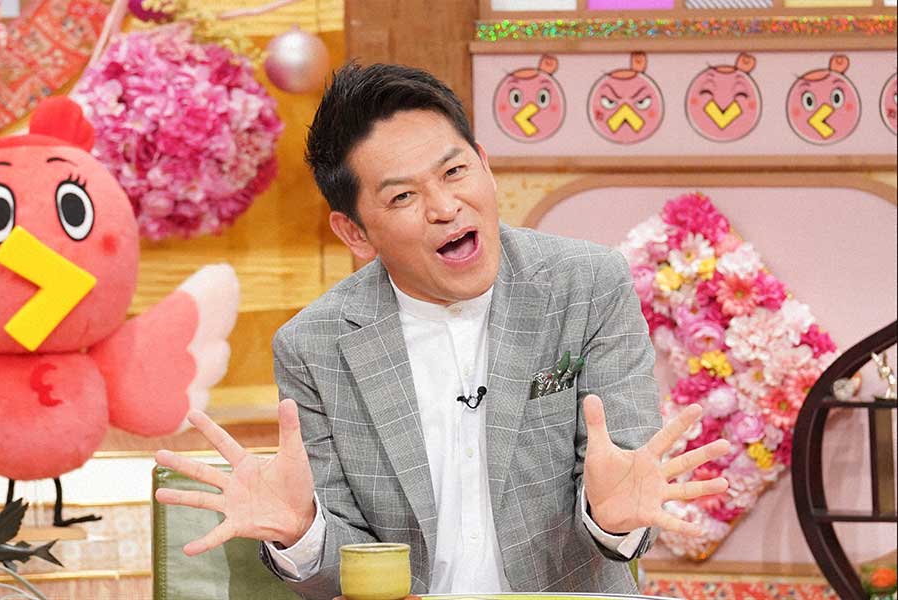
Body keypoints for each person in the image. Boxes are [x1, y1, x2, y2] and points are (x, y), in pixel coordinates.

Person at [154, 62, 730, 596]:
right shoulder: (314, 347)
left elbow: (625, 486)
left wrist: (610, 518)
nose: (445, 207)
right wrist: (301, 531)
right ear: (355, 233)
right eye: (403, 196)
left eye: (455, 171)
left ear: (485, 165)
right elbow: (339, 571)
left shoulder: (588, 285)